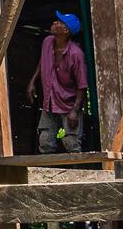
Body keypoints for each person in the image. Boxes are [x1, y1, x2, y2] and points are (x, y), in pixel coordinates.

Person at [26, 12, 90, 154]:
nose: (55, 23)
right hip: (50, 101)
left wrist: (74, 110)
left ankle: (77, 173)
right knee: (45, 140)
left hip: (69, 103)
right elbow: (43, 61)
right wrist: (33, 81)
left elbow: (82, 86)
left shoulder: (76, 54)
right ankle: (48, 175)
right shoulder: (47, 42)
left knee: (71, 142)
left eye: (59, 22)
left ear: (66, 31)